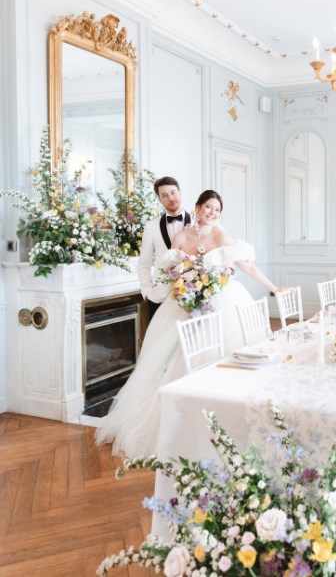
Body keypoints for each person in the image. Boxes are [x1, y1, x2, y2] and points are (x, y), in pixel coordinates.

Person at [96, 188, 278, 460]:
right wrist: (180, 285)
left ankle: (227, 424)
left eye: (217, 210)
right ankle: (185, 425)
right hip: (185, 303)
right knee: (177, 362)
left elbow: (248, 268)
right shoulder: (180, 237)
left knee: (225, 360)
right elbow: (168, 270)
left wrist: (275, 288)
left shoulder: (221, 236)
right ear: (198, 207)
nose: (213, 213)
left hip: (221, 303)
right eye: (209, 207)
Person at [138, 175, 191, 325]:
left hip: (191, 294)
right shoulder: (151, 226)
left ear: (180, 192)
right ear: (160, 200)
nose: (170, 198)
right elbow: (144, 263)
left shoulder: (196, 222)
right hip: (159, 295)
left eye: (173, 192)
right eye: (164, 195)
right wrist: (147, 292)